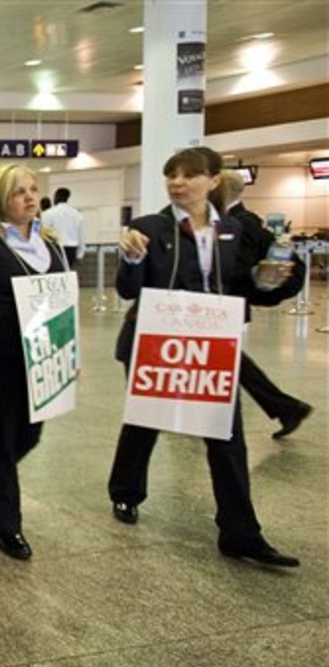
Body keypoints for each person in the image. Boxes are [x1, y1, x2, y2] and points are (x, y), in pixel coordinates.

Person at [107, 147, 299, 569]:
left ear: (212, 181)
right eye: (171, 175)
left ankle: (240, 532)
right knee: (146, 420)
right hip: (155, 342)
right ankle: (125, 492)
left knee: (226, 434)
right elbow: (128, 289)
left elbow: (243, 286)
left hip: (212, 345)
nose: (178, 182)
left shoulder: (232, 230)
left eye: (189, 175)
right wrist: (133, 259)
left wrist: (272, 281)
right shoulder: (149, 228)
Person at [0, 164, 69, 561]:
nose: (29, 197)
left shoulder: (50, 245)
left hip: (39, 359)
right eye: (18, 191)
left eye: (33, 189)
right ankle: (8, 526)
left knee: (29, 435)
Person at [215, 169, 313, 439]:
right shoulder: (241, 219)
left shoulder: (241, 223)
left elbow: (239, 269)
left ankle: (286, 407)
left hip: (227, 304)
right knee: (228, 360)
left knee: (230, 360)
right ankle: (285, 407)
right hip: (225, 304)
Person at [41, 187, 84, 268]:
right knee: (67, 272)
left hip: (56, 249)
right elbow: (81, 236)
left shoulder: (48, 214)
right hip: (72, 249)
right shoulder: (77, 214)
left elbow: (44, 234)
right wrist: (80, 255)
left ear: (56, 197)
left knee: (56, 273)